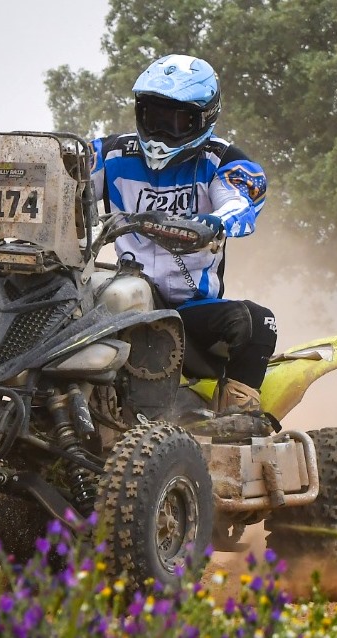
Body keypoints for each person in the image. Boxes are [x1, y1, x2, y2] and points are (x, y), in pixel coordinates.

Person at [90, 54, 278, 413]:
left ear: (203, 119)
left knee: (258, 321)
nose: (162, 130)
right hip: (122, 299)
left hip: (189, 313)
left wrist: (214, 222)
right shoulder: (111, 154)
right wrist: (7, 196)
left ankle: (235, 421)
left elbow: (241, 204)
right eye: (154, 116)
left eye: (177, 120)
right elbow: (59, 178)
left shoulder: (223, 161)